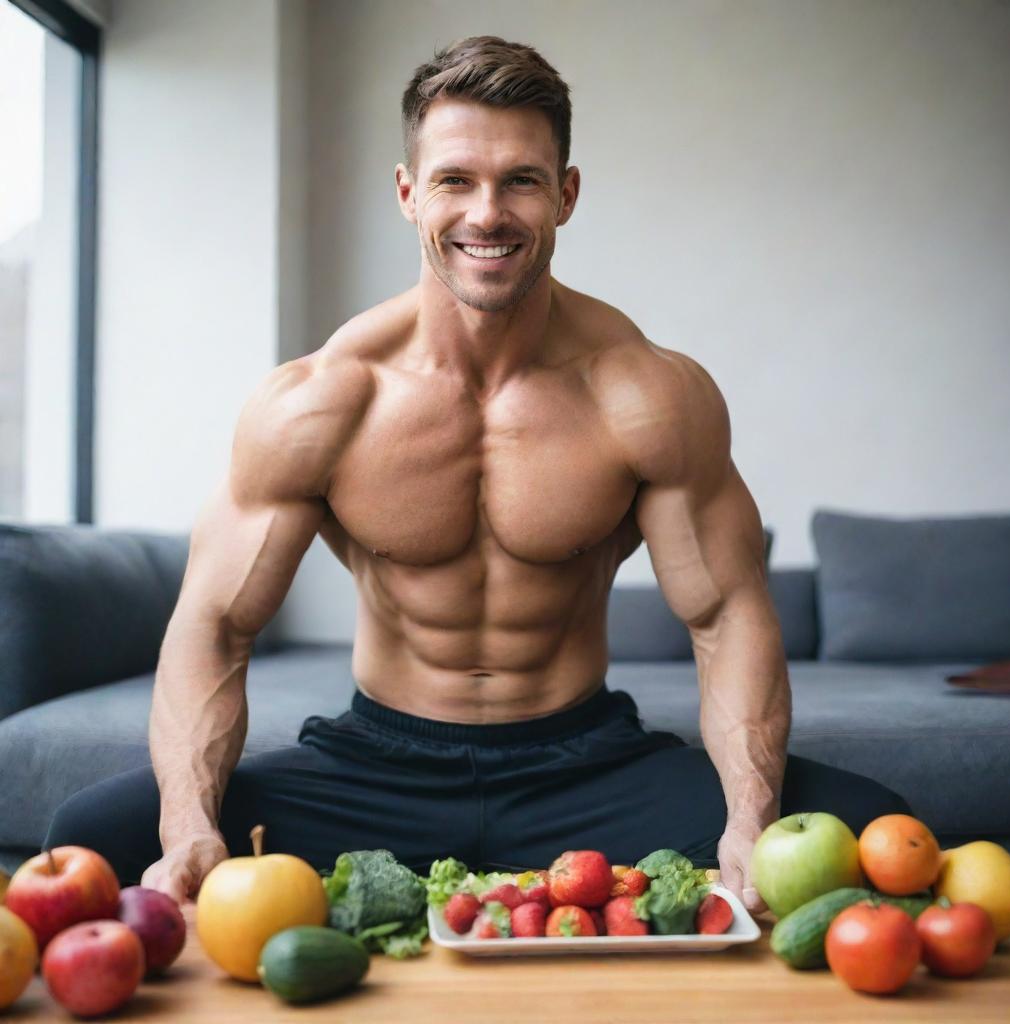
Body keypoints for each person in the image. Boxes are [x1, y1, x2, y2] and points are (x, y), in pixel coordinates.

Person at [44, 35, 910, 911]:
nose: (487, 213)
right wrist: (190, 827)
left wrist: (748, 823)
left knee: (872, 836)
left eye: (521, 180)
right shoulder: (322, 402)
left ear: (565, 195)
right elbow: (215, 626)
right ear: (408, 192)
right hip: (377, 766)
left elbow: (728, 618)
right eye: (456, 179)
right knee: (95, 841)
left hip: (584, 767)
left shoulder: (645, 394)